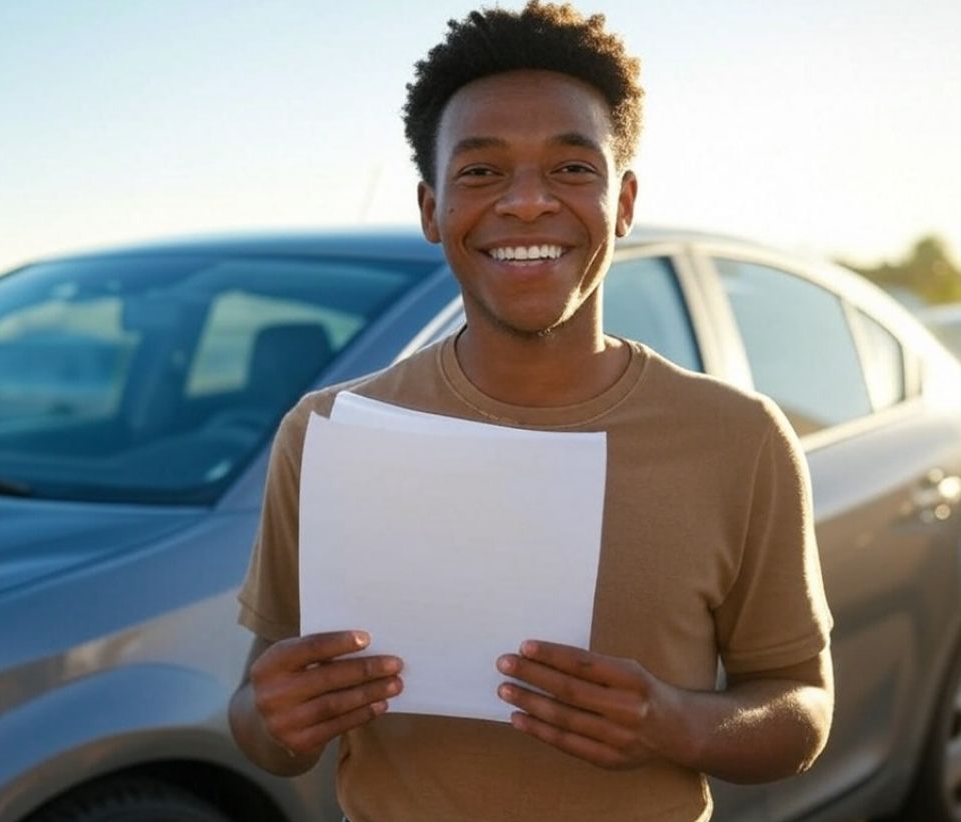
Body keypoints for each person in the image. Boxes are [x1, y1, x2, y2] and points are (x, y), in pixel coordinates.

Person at [228, 3, 834, 820]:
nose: (525, 203)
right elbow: (261, 722)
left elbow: (800, 709)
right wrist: (271, 720)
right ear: (430, 209)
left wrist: (676, 726)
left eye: (571, 169)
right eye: (480, 171)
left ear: (622, 203)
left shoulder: (741, 439)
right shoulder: (330, 434)